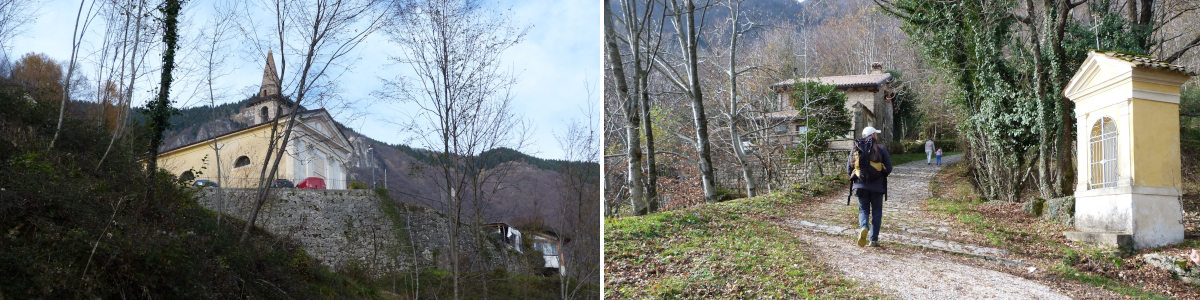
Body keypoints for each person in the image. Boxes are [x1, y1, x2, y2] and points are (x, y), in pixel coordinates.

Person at [848, 126, 893, 247]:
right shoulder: (881, 148)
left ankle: (864, 227)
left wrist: (858, 175)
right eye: (876, 134)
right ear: (873, 135)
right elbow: (889, 168)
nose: (877, 136)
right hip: (877, 187)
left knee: (863, 210)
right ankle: (873, 240)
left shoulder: (855, 149)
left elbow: (849, 169)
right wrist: (880, 173)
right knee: (877, 212)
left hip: (860, 187)